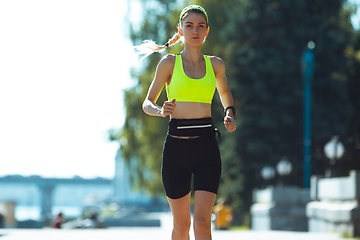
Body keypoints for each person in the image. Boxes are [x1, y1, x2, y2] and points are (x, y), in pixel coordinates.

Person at [136, 5, 236, 240]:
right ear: (180, 31)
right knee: (181, 226)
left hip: (207, 150)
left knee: (202, 224)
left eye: (200, 26)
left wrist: (229, 112)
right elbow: (147, 103)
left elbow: (225, 93)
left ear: (207, 32)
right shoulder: (169, 63)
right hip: (176, 151)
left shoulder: (216, 65)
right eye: (189, 25)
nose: (195, 30)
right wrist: (161, 110)